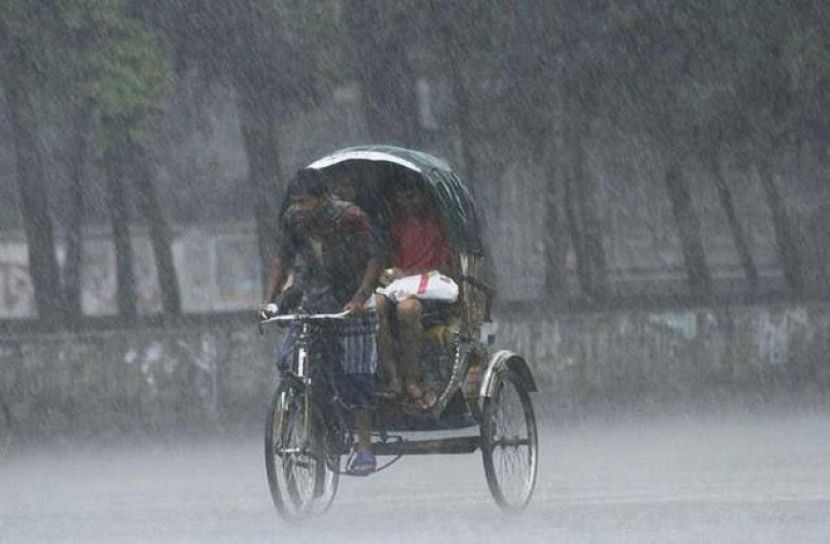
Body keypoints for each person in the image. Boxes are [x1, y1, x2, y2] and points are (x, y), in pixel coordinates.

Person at [260, 168, 382, 474]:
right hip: (314, 297)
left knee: (356, 373)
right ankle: (308, 412)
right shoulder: (293, 220)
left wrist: (359, 297)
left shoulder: (350, 217)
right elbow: (282, 260)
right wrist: (270, 300)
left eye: (305, 202)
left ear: (323, 198)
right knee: (287, 359)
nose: (299, 208)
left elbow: (375, 258)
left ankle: (364, 447)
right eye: (295, 202)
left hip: (351, 299)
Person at [376, 176, 455, 410]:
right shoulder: (395, 226)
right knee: (375, 305)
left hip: (433, 294)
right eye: (401, 197)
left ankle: (412, 379)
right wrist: (389, 274)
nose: (407, 202)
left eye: (412, 196)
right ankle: (393, 378)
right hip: (399, 289)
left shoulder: (440, 225)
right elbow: (385, 261)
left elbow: (449, 269)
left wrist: (410, 274)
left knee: (408, 309)